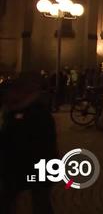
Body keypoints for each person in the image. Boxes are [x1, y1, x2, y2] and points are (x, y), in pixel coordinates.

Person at [1, 74, 57, 214]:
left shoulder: (34, 113)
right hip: (23, 166)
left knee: (39, 202)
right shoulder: (16, 110)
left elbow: (28, 141)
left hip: (34, 166)